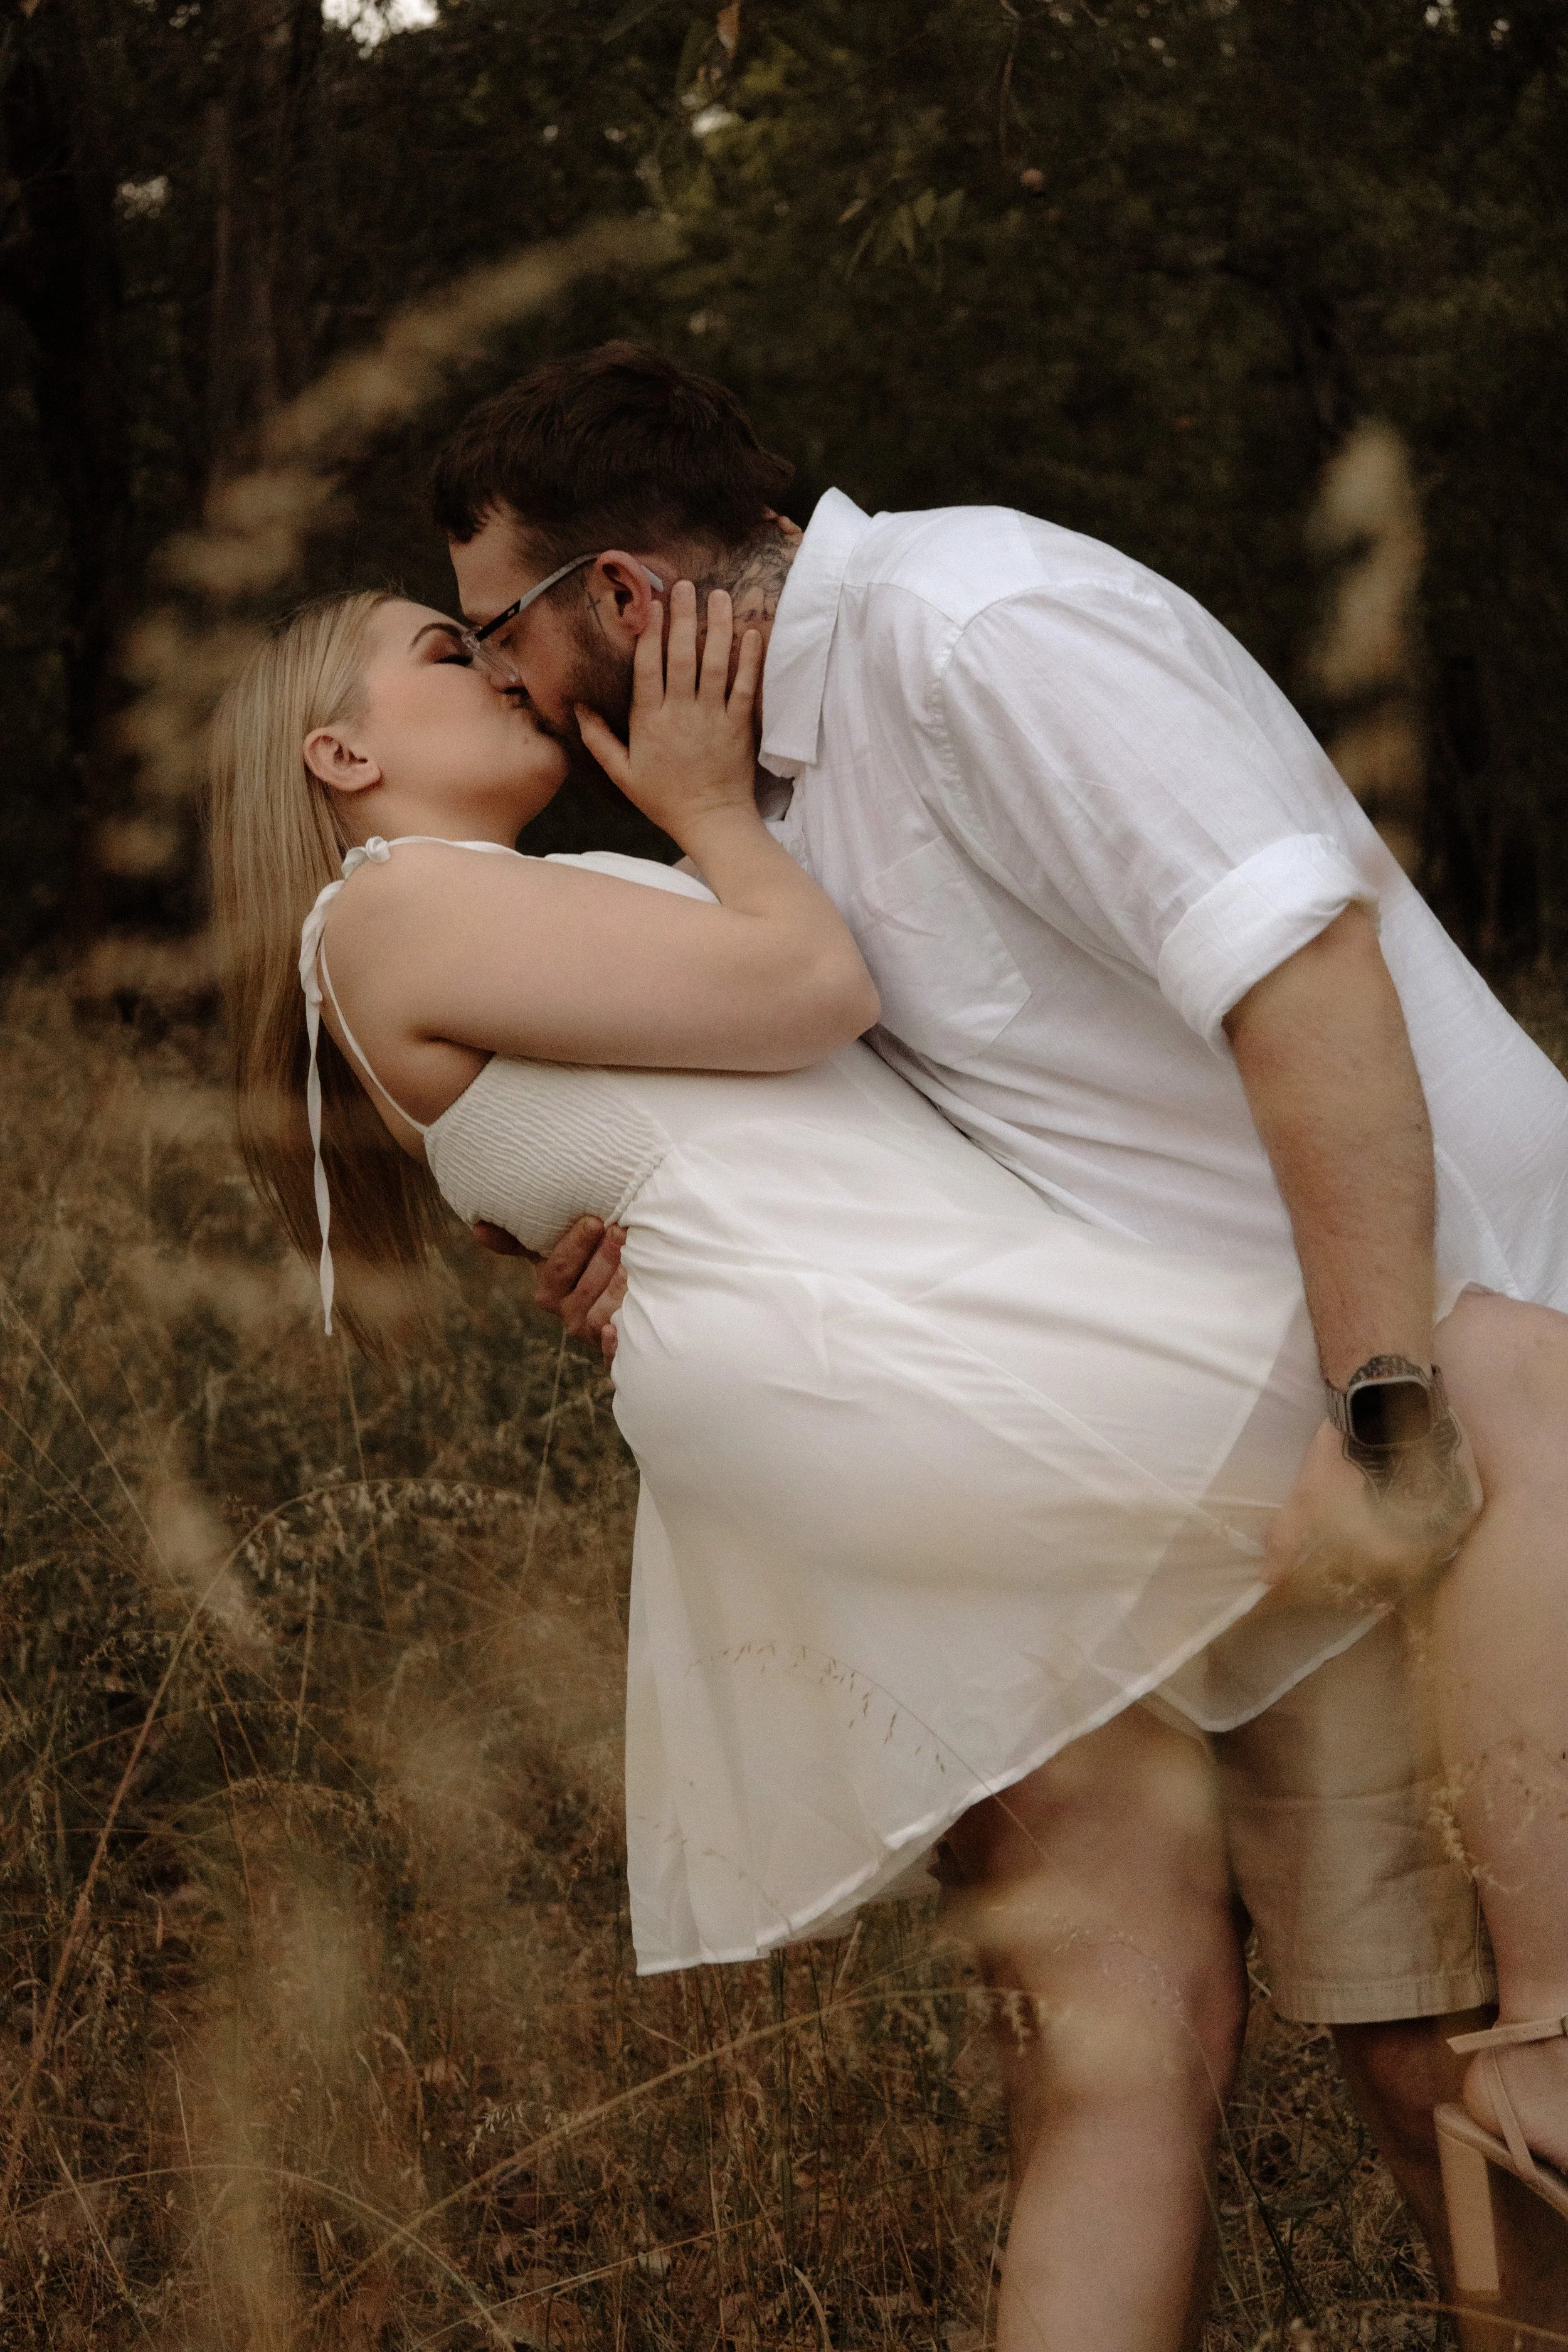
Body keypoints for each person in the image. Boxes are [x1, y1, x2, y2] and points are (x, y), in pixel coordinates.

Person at [208, 581, 1568, 2348]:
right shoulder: (392, 906)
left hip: (891, 1417)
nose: (497, 669)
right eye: (443, 651)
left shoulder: (493, 910)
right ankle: (1552, 2028)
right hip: (933, 1384)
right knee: (1496, 1364)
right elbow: (812, 987)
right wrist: (711, 804)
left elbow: (687, 1123)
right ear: (342, 754)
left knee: (1129, 2040)